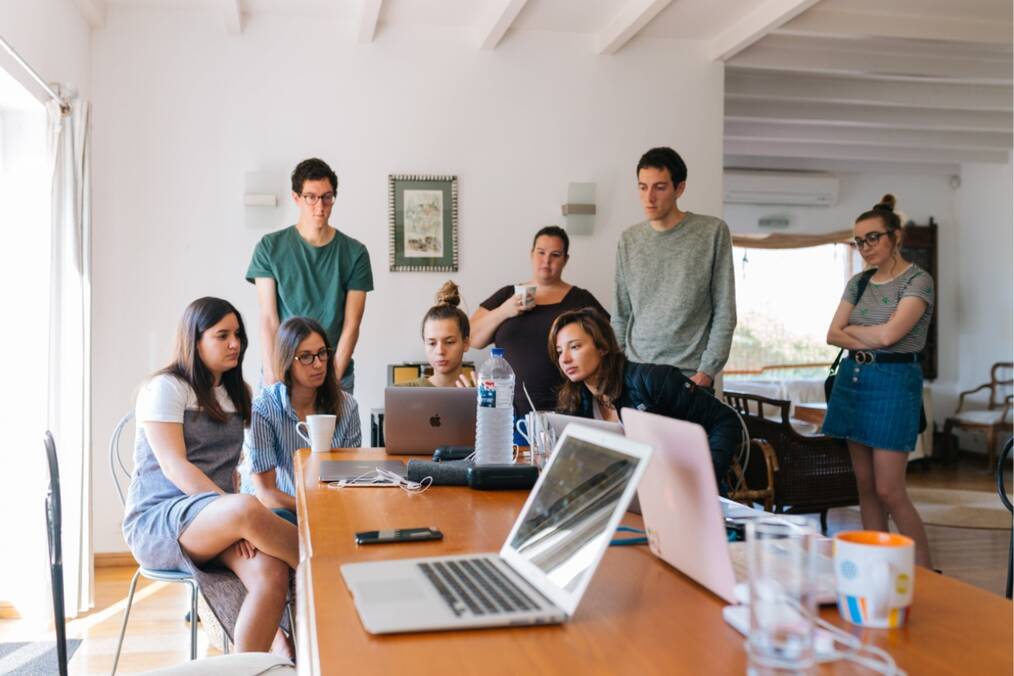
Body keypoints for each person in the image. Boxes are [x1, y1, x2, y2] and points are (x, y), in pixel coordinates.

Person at [123, 297, 297, 655]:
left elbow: (230, 470)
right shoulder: (166, 388)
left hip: (218, 519)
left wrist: (232, 518)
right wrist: (233, 514)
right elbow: (175, 466)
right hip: (161, 520)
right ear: (195, 339)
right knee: (249, 509)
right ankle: (334, 569)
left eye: (238, 335)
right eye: (222, 335)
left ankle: (247, 665)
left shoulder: (237, 394)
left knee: (271, 574)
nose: (235, 343)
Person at [822, 195, 934, 568]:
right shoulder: (859, 282)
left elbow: (891, 338)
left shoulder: (919, 280)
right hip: (854, 380)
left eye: (873, 238)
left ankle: (927, 575)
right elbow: (832, 334)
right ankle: (876, 567)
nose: (865, 247)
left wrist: (855, 329)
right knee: (865, 488)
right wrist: (867, 333)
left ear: (895, 236)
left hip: (894, 384)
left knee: (889, 489)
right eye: (859, 241)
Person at [549, 308, 742, 490]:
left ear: (602, 347)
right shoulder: (575, 401)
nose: (564, 359)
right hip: (630, 495)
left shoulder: (653, 380)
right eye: (559, 351)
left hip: (682, 492)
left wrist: (705, 477)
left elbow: (725, 419)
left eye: (574, 347)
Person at [613, 147, 736, 390]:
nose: (649, 198)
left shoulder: (711, 232)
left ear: (679, 188)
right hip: (636, 373)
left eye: (659, 187)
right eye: (642, 187)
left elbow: (725, 310)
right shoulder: (629, 239)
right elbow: (621, 314)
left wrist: (707, 371)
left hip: (689, 377)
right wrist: (617, 368)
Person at [247, 158, 374, 392]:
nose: (320, 206)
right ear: (296, 198)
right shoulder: (269, 248)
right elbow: (269, 318)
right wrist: (272, 373)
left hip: (334, 371)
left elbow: (352, 325)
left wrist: (332, 381)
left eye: (327, 197)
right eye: (311, 197)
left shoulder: (355, 253)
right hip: (283, 371)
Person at [471, 226, 608, 415]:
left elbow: (609, 344)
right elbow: (472, 338)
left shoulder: (580, 299)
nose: (546, 260)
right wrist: (504, 311)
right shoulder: (507, 295)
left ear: (565, 260)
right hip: (507, 410)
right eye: (541, 252)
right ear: (531, 254)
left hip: (567, 407)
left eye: (555, 255)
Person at [242, 317, 361, 523]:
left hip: (331, 508)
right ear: (287, 362)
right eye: (306, 357)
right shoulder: (263, 409)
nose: (318, 364)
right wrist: (313, 507)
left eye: (322, 353)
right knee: (282, 518)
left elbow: (350, 478)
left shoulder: (347, 405)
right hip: (279, 511)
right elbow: (266, 494)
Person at [399, 281, 476, 388]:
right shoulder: (402, 392)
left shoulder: (481, 394)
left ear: (466, 343)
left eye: (449, 342)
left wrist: (477, 402)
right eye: (431, 343)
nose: (440, 351)